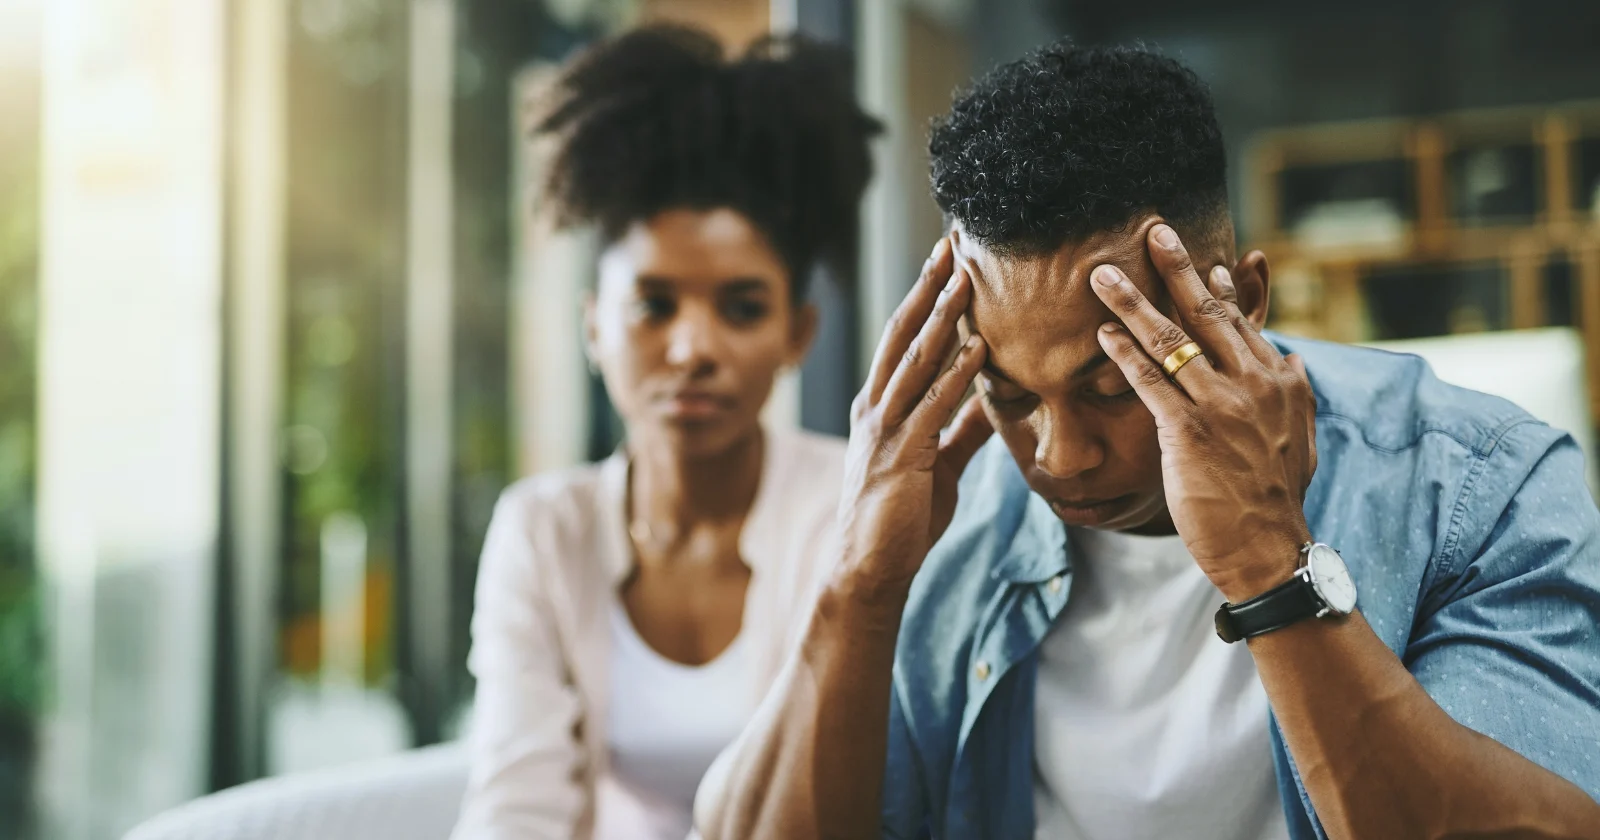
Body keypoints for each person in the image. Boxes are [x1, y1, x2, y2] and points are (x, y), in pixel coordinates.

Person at [696, 42, 1600, 839]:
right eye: (1009, 395)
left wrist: (1267, 565)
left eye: (1115, 385)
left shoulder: (1481, 484)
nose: (1059, 458)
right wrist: (859, 589)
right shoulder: (951, 515)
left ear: (1244, 304)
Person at [451, 25, 879, 840]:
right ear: (594, 327)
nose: (692, 350)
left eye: (742, 308)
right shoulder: (544, 531)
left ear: (798, 333)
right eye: (653, 304)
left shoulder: (853, 510)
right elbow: (516, 807)